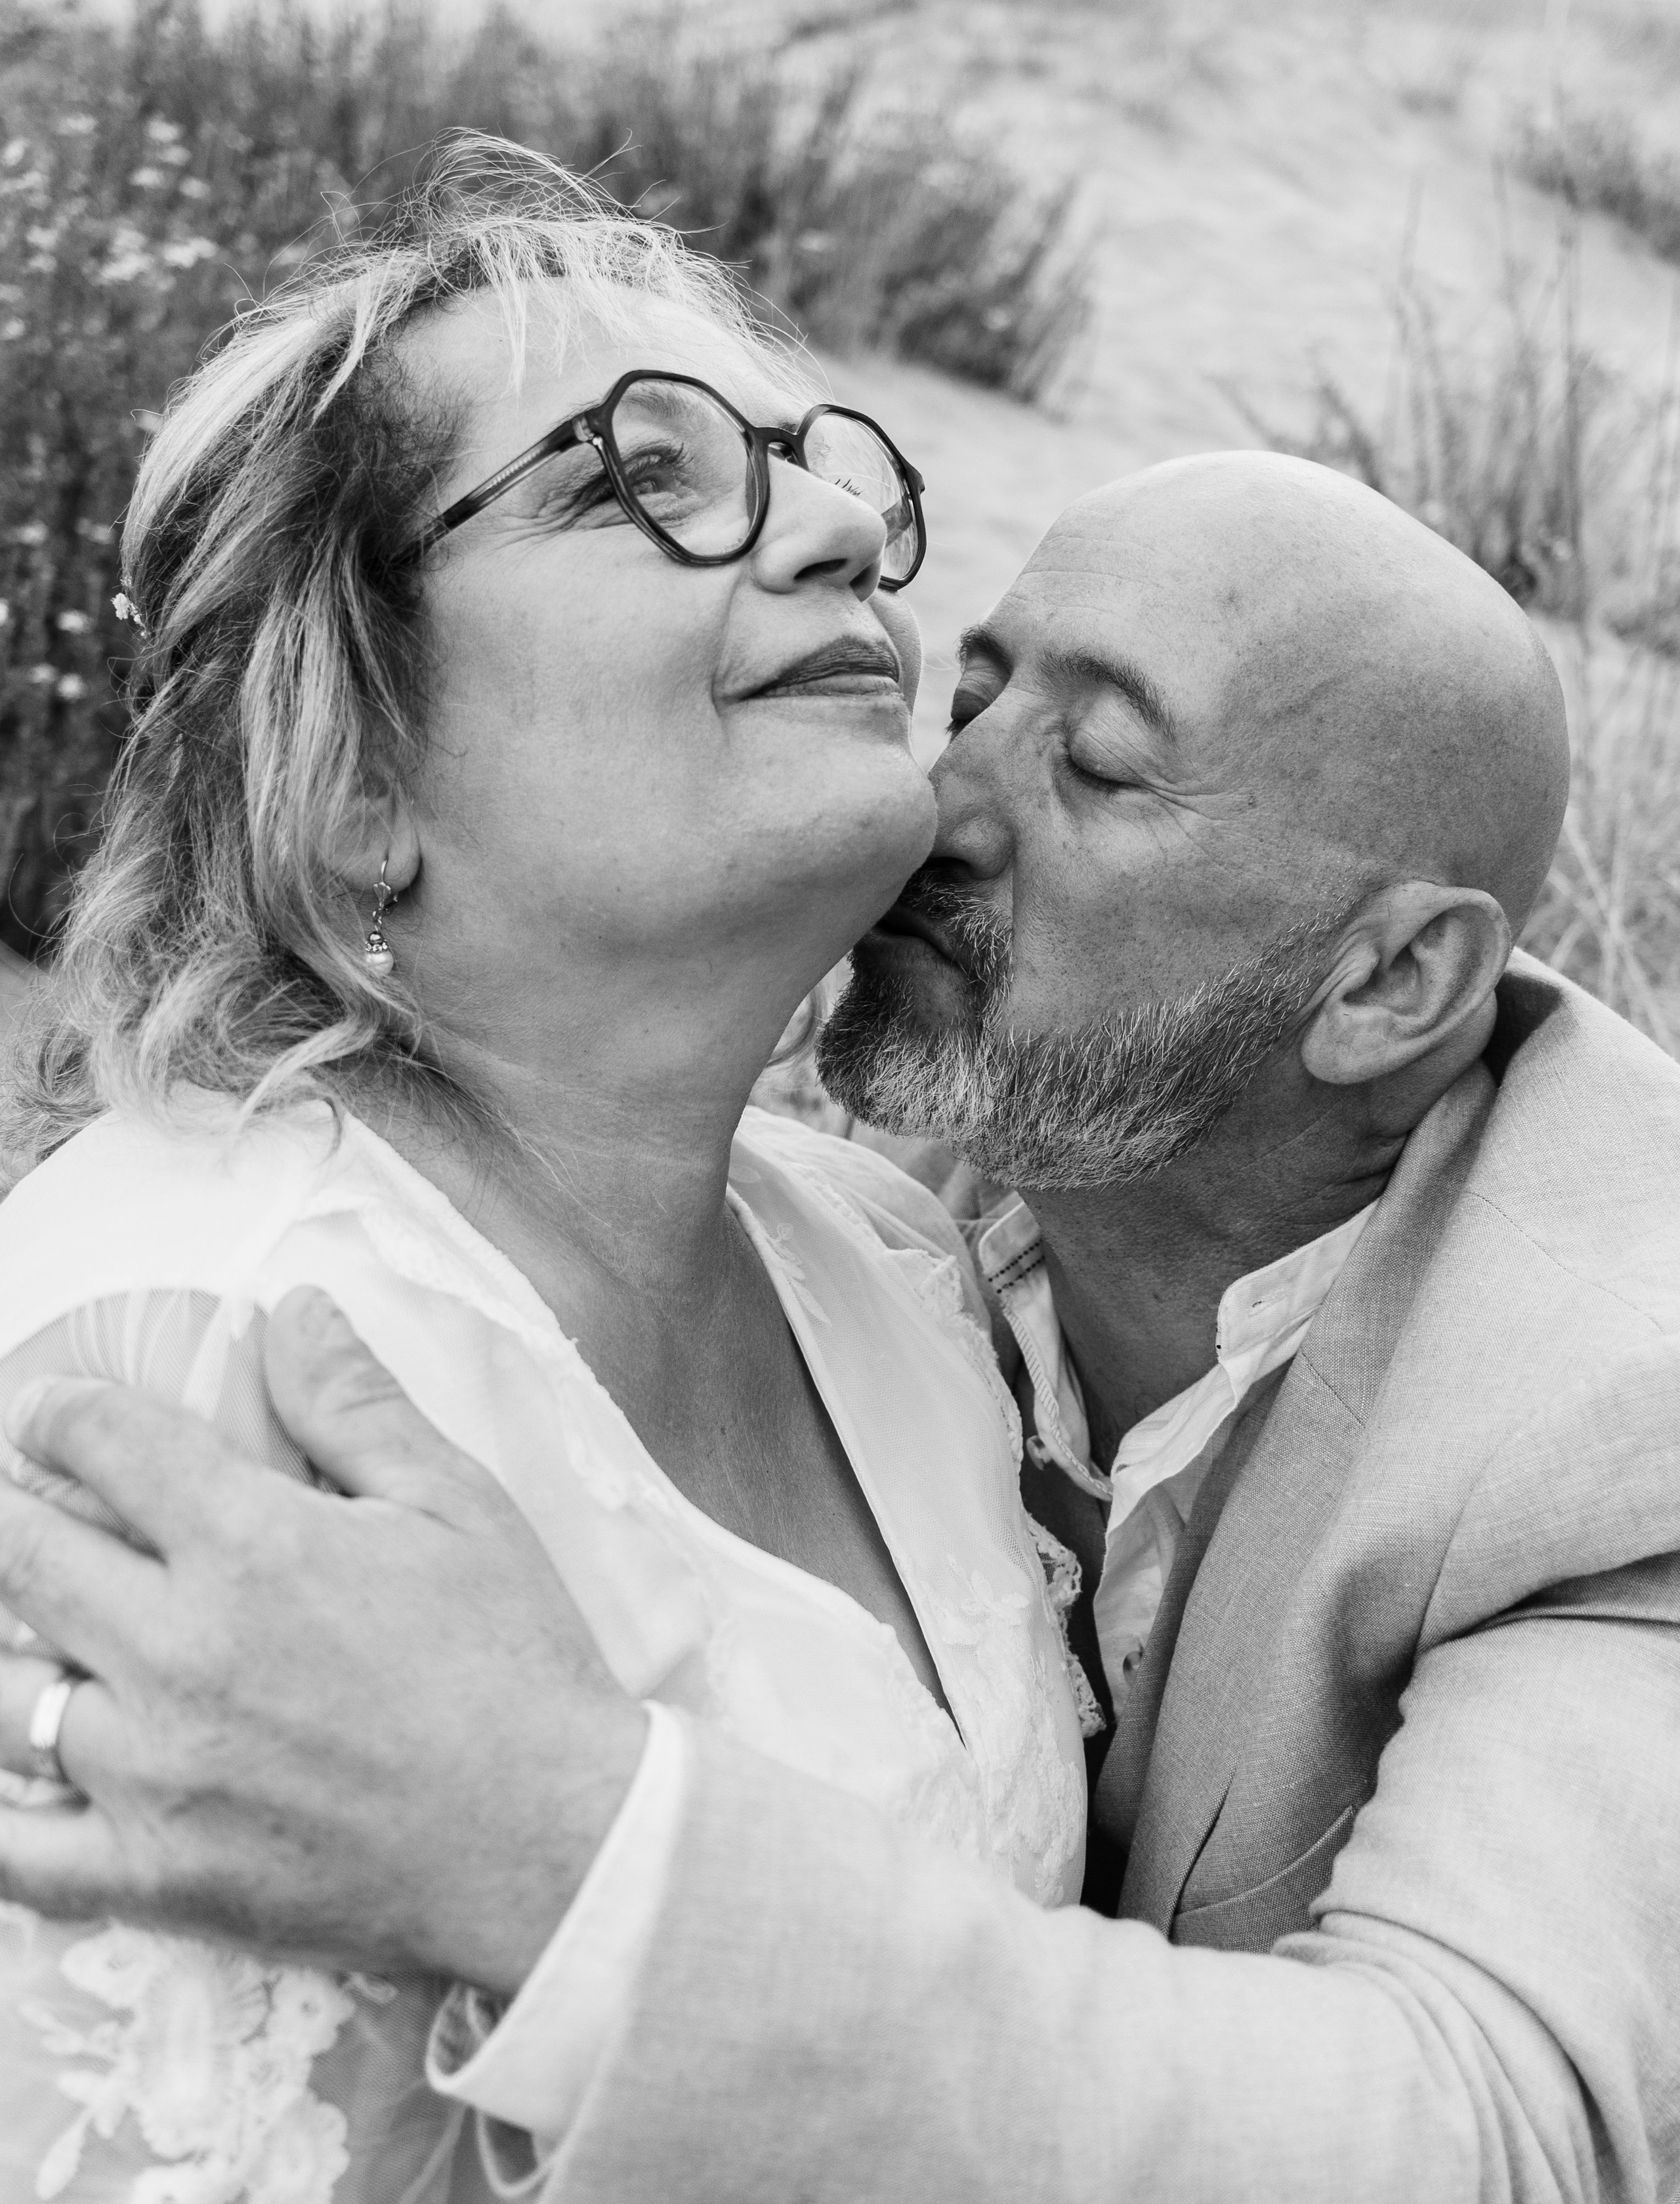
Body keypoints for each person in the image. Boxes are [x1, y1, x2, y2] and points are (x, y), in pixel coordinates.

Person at [1, 461, 1677, 2202]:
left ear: (1388, 985)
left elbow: (1485, 2140)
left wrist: (559, 1838)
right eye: (972, 692)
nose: (935, 811)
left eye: (1093, 769)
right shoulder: (875, 1182)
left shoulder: (1620, 1408)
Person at [0, 142, 1098, 2202]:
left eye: (828, 467)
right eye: (634, 478)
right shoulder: (181, 1388)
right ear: (348, 783)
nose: (852, 529)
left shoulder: (884, 1259)